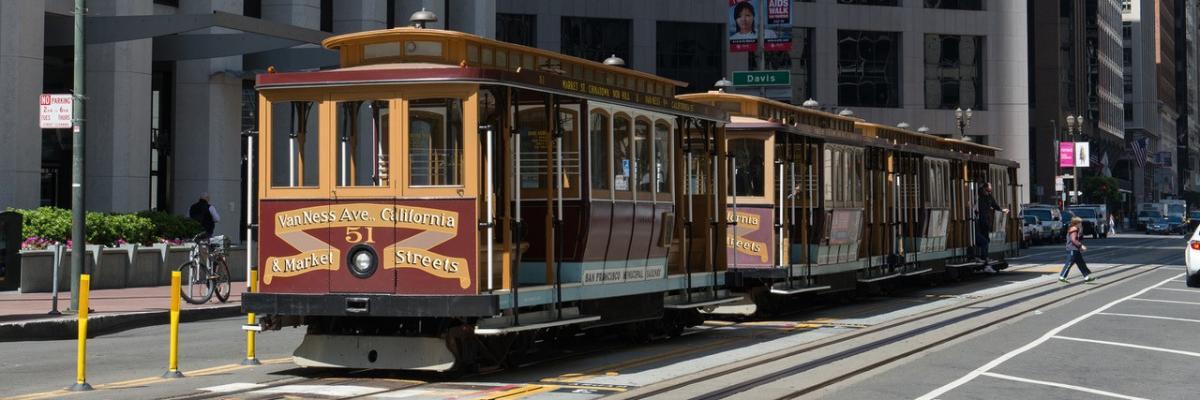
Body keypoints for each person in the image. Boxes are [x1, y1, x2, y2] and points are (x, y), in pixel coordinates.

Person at [975, 183, 1009, 272]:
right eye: (988, 191)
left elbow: (995, 205)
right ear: (984, 189)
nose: (989, 192)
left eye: (990, 191)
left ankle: (984, 259)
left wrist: (1001, 210)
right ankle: (983, 259)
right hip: (979, 222)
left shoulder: (989, 197)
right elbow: (977, 209)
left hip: (985, 222)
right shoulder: (978, 197)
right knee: (984, 241)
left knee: (985, 240)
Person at [1059, 217, 1095, 283]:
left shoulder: (1074, 229)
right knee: (1069, 263)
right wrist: (1081, 246)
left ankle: (1086, 277)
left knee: (1081, 263)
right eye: (1080, 223)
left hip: (1075, 249)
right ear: (1077, 223)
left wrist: (1079, 247)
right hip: (1072, 249)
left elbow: (1076, 239)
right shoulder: (1074, 229)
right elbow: (1073, 240)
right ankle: (1062, 277)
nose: (1081, 224)